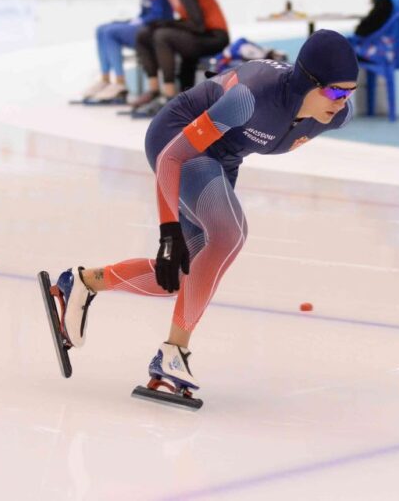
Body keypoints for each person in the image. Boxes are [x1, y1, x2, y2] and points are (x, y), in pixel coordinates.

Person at [42, 30, 358, 405]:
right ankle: (173, 353)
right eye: (336, 92)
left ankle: (82, 282)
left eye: (350, 93)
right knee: (228, 235)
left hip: (222, 160)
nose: (343, 103)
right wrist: (168, 233)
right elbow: (171, 158)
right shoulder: (250, 98)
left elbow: (243, 143)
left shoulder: (334, 117)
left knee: (178, 279)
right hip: (176, 140)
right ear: (310, 81)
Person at [130, 0, 230, 117]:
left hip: (214, 37)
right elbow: (188, 22)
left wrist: (168, 24)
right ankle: (154, 90)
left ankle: (168, 96)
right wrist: (166, 23)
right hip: (202, 34)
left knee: (162, 35)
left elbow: (198, 25)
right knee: (145, 34)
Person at [80, 0, 172, 104]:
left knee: (110, 32)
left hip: (153, 28)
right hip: (144, 23)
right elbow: (145, 10)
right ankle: (105, 79)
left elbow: (158, 13)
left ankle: (120, 84)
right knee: (101, 29)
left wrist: (140, 21)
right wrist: (132, 21)